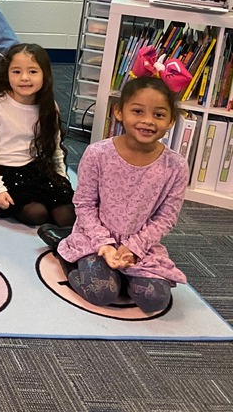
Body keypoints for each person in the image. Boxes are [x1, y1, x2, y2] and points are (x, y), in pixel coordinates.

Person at [51, 77, 187, 314]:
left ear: (171, 120)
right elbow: (84, 204)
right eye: (137, 111)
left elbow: (166, 217)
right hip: (95, 239)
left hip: (140, 245)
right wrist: (104, 246)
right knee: (101, 293)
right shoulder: (97, 154)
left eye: (158, 115)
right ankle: (66, 254)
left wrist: (134, 248)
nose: (147, 121)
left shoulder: (176, 166)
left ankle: (121, 276)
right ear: (119, 111)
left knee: (155, 300)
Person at [0, 43, 75, 227]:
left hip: (36, 168)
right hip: (7, 171)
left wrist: (62, 177)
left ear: (44, 75)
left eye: (32, 72)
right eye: (16, 72)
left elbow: (54, 147)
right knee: (36, 214)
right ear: (7, 74)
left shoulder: (49, 106)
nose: (24, 78)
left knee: (67, 216)